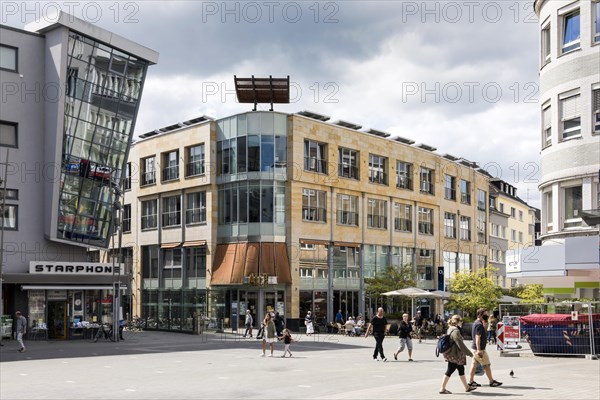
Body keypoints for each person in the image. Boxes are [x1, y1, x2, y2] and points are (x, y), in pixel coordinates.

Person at [439, 315, 477, 394]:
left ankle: (467, 387)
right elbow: (460, 344)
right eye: (461, 321)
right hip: (455, 354)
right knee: (449, 371)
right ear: (458, 322)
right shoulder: (455, 331)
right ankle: (442, 388)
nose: (462, 323)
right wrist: (469, 353)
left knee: (461, 369)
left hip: (455, 354)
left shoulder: (450, 328)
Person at [468, 308, 503, 388]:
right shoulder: (479, 325)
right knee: (487, 365)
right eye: (485, 314)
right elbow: (477, 337)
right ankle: (491, 381)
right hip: (479, 349)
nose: (487, 315)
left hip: (475, 348)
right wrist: (479, 350)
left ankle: (471, 381)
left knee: (474, 365)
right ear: (480, 314)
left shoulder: (476, 323)